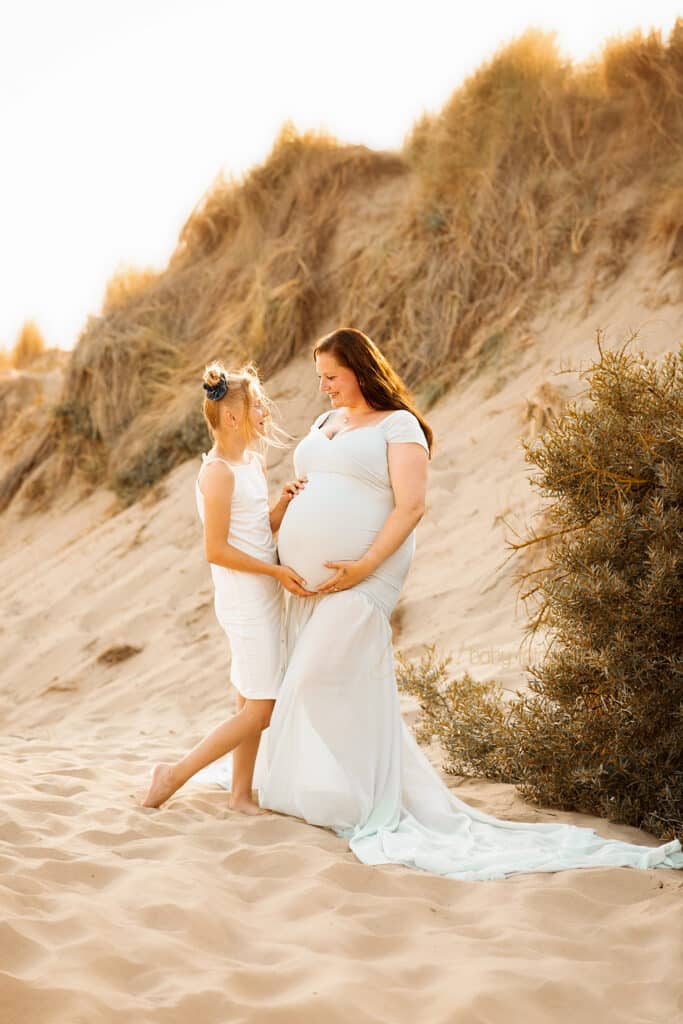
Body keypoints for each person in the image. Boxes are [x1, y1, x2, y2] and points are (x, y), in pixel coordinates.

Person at [250, 327, 683, 881]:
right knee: (325, 684)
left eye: (331, 377)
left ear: (360, 369)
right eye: (320, 379)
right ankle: (329, 789)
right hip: (307, 585)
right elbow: (316, 482)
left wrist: (362, 565)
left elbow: (410, 508)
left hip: (362, 579)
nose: (325, 388)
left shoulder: (398, 425)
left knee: (312, 679)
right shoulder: (322, 423)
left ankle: (359, 798)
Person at [141, 361, 311, 812]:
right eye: (258, 406)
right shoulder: (218, 473)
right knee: (262, 709)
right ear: (232, 417)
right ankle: (172, 775)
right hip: (245, 600)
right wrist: (276, 573)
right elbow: (215, 550)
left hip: (263, 594)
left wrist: (282, 506)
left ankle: (239, 794)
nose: (265, 413)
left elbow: (256, 531)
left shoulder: (252, 463)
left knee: (248, 699)